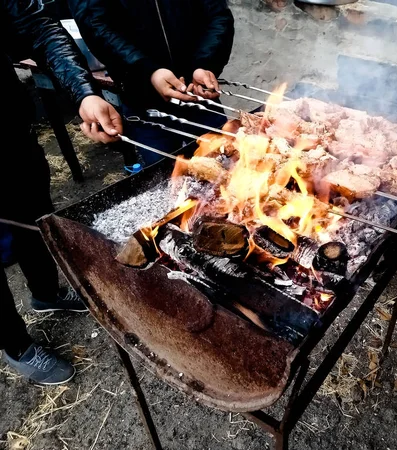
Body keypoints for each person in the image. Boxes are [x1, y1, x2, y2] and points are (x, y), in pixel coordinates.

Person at [1, 0, 123, 385]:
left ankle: (46, 293)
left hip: (10, 136)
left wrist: (84, 93)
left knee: (34, 216)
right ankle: (15, 346)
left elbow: (38, 28)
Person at [68, 0, 235, 165]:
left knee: (228, 163)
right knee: (165, 178)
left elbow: (218, 15)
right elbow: (96, 26)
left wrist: (204, 63)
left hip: (198, 93)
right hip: (144, 103)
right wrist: (147, 70)